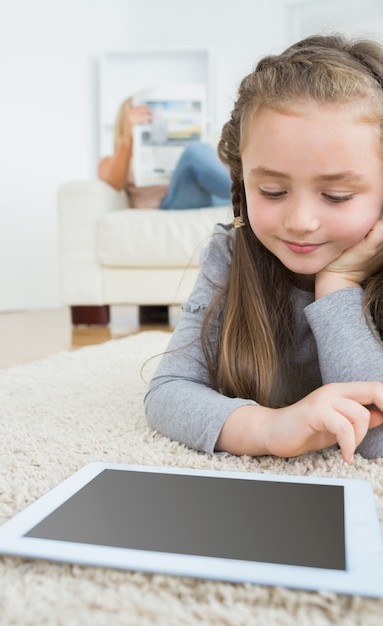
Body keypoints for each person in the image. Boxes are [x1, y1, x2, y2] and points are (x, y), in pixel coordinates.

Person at [144, 33, 383, 463]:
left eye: (337, 196)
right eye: (272, 191)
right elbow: (168, 392)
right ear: (241, 182)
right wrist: (268, 429)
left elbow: (376, 440)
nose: (300, 222)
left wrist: (339, 286)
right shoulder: (231, 253)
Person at [98, 97, 231, 210]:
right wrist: (127, 137)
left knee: (201, 149)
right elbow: (115, 183)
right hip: (170, 202)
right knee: (194, 151)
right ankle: (243, 189)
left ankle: (244, 192)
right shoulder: (110, 161)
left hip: (208, 194)